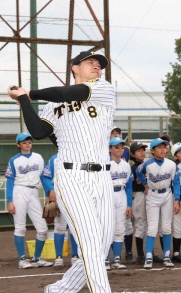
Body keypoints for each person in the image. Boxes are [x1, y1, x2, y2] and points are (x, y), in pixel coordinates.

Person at [9, 50, 115, 292]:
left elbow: (70, 92)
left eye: (99, 64)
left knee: (100, 247)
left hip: (102, 177)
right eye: (90, 62)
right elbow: (38, 132)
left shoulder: (103, 88)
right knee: (89, 244)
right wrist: (25, 101)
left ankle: (58, 291)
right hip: (72, 177)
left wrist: (30, 93)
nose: (97, 66)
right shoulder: (52, 105)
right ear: (74, 67)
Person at [6, 132, 53, 269]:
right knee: (20, 227)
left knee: (43, 228)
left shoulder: (38, 158)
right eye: (24, 142)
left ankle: (36, 258)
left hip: (33, 192)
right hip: (19, 191)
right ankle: (22, 259)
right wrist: (10, 200)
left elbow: (44, 177)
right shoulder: (14, 160)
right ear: (18, 144)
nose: (27, 144)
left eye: (29, 142)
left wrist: (49, 192)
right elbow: (10, 181)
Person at [136, 138, 181, 269]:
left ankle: (166, 255)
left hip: (167, 195)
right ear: (153, 150)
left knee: (166, 227)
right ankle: (148, 256)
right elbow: (138, 172)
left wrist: (177, 199)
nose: (162, 150)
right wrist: (144, 184)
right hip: (152, 195)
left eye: (164, 147)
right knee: (152, 227)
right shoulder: (147, 164)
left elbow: (176, 182)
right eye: (159, 147)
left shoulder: (171, 164)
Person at [41, 154, 80, 269]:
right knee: (59, 226)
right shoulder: (54, 159)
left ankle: (75, 256)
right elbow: (45, 176)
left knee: (75, 226)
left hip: (75, 194)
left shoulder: (79, 157)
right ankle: (59, 257)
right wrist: (50, 191)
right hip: (59, 193)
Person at [106, 137, 133, 270]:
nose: (120, 150)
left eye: (122, 147)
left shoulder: (126, 165)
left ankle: (116, 258)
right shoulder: (104, 164)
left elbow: (128, 186)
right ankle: (105, 258)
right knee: (106, 228)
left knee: (120, 229)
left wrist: (129, 204)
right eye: (116, 147)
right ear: (110, 149)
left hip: (121, 194)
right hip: (107, 195)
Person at [129, 141, 148, 265]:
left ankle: (149, 253)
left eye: (143, 150)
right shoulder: (133, 168)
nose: (142, 152)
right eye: (138, 151)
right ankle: (140, 254)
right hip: (139, 195)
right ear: (132, 154)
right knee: (141, 223)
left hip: (150, 195)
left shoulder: (148, 165)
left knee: (150, 225)